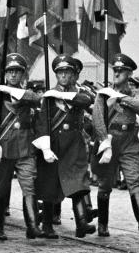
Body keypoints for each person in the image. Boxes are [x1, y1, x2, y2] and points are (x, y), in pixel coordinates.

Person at [92, 54, 139, 236]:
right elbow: (98, 118)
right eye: (115, 70)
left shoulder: (134, 93)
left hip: (129, 140)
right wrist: (104, 140)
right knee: (105, 183)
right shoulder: (103, 94)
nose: (117, 73)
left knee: (133, 178)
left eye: (121, 71)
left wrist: (119, 97)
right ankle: (103, 224)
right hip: (111, 140)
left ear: (129, 74)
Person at [33, 55, 97, 239]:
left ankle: (82, 223)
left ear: (75, 75)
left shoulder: (79, 93)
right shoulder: (47, 97)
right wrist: (45, 148)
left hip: (74, 144)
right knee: (49, 185)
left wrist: (61, 95)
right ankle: (46, 225)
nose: (63, 75)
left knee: (78, 182)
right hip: (53, 143)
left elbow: (85, 102)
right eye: (60, 72)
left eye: (67, 72)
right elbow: (42, 124)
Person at [0, 53, 44, 239]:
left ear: (22, 75)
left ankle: (33, 226)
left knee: (29, 186)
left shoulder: (26, 94)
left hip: (25, 148)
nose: (13, 76)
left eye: (17, 72)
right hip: (4, 148)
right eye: (10, 72)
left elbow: (36, 99)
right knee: (1, 189)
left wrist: (14, 92)